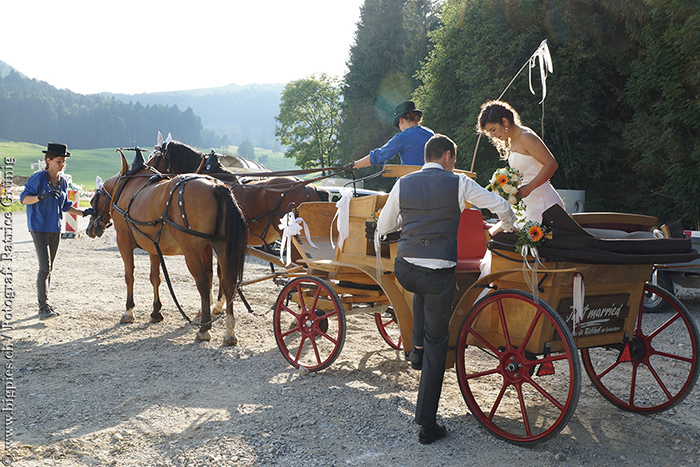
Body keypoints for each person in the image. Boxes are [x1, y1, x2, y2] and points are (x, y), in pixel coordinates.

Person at [376, 134, 516, 444]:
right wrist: (506, 225)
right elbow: (501, 205)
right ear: (448, 156)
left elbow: (384, 228)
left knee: (420, 289)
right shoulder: (459, 183)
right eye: (454, 159)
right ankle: (427, 424)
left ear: (426, 157)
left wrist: (410, 229)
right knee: (439, 339)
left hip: (405, 270)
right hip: (437, 272)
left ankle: (417, 349)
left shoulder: (404, 183)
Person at [20, 143, 94, 320]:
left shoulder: (62, 182)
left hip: (55, 229)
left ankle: (46, 304)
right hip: (38, 228)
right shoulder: (38, 178)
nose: (62, 165)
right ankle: (43, 307)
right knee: (44, 267)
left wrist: (83, 212)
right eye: (59, 161)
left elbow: (65, 205)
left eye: (63, 162)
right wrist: (41, 197)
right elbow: (24, 199)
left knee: (49, 268)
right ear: (48, 160)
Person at [477, 100, 564, 225]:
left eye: (493, 129)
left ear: (505, 121)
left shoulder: (525, 137)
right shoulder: (512, 140)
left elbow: (551, 164)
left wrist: (529, 188)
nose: (492, 135)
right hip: (527, 206)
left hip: (544, 205)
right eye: (489, 132)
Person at [345, 101, 434, 170]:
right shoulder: (430, 134)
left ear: (401, 120)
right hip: (432, 184)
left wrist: (354, 165)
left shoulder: (403, 137)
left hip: (410, 184)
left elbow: (378, 156)